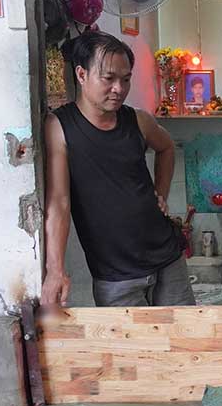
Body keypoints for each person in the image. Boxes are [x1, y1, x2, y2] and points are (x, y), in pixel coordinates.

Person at [41, 31, 195, 308]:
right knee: (130, 350)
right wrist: (55, 270)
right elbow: (59, 203)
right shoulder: (60, 127)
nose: (119, 89)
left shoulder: (138, 120)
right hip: (115, 274)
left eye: (126, 79)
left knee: (185, 342)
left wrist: (161, 194)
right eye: (109, 78)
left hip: (167, 257)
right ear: (82, 74)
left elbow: (167, 147)